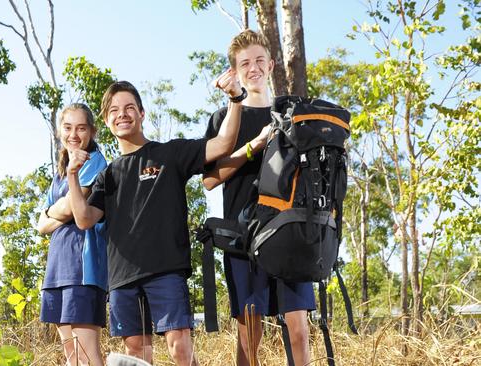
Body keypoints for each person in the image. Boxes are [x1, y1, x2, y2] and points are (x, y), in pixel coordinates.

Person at [65, 79, 244, 366]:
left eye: (128, 108)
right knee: (137, 357)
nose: (121, 114)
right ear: (107, 120)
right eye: (114, 110)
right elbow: (85, 219)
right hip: (123, 278)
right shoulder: (107, 175)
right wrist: (73, 175)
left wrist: (236, 98)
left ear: (141, 113)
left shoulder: (170, 153)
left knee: (180, 350)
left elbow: (223, 143)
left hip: (166, 270)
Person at [202, 29, 316, 366]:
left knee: (298, 329)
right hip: (244, 240)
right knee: (250, 335)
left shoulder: (293, 112)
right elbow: (210, 180)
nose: (253, 68)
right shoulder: (224, 119)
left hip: (290, 235)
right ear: (234, 71)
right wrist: (254, 146)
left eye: (259, 61)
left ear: (271, 65)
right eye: (244, 63)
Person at [36, 103, 107, 366]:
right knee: (72, 357)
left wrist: (54, 212)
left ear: (92, 131)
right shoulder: (59, 172)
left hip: (83, 268)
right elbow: (41, 225)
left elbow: (69, 209)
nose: (74, 134)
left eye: (81, 128)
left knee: (88, 355)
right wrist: (57, 212)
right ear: (59, 131)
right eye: (68, 127)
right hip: (58, 267)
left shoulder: (95, 161)